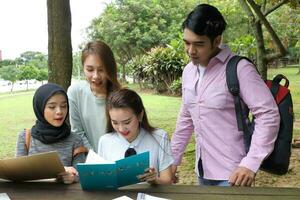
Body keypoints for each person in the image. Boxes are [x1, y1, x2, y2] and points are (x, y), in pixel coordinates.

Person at [171, 4, 280, 187]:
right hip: (203, 170)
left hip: (234, 173)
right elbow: (186, 118)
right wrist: (172, 160)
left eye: (199, 44)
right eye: (187, 43)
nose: (190, 51)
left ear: (216, 41)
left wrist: (250, 163)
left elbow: (268, 114)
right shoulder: (189, 71)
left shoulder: (240, 69)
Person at [98, 88, 173, 184]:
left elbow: (167, 180)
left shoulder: (160, 137)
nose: (121, 129)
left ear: (140, 115)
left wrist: (155, 180)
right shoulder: (105, 141)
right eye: (115, 123)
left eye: (127, 122)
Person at [16, 83, 87, 184]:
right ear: (40, 108)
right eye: (52, 107)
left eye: (64, 106)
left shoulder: (75, 140)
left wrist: (73, 177)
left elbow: (82, 175)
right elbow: (17, 174)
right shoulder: (25, 137)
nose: (59, 111)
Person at [67, 41, 121, 151]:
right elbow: (77, 132)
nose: (96, 76)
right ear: (83, 68)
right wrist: (96, 159)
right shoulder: (75, 92)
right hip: (90, 161)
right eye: (90, 70)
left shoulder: (120, 96)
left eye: (101, 70)